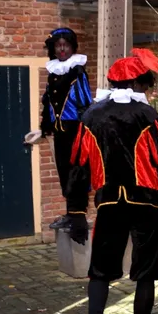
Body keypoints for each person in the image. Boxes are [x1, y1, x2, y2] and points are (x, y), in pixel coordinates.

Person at [66, 48, 158, 314]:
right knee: (145, 274)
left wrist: (76, 211)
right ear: (139, 83)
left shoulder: (92, 116)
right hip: (145, 204)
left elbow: (78, 165)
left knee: (100, 271)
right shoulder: (147, 116)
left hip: (109, 203)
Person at [35, 28, 93, 230]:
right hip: (60, 131)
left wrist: (86, 129)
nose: (62, 49)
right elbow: (48, 103)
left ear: (72, 47)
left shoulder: (77, 71)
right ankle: (71, 213)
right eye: (58, 46)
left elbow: (85, 102)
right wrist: (44, 128)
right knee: (64, 172)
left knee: (77, 172)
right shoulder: (53, 73)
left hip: (75, 129)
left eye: (65, 45)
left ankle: (78, 216)